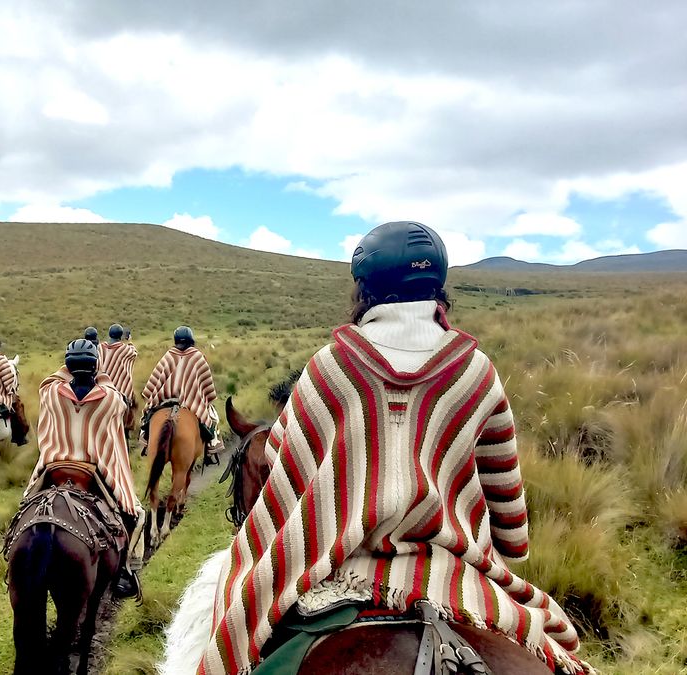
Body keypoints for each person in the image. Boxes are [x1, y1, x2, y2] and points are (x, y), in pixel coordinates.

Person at [197, 222, 590, 674]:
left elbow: (283, 464)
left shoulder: (330, 366)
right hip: (455, 576)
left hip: (341, 570)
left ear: (363, 290)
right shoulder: (478, 371)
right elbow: (511, 523)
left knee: (236, 625)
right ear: (438, 290)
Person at [24, 339, 144, 599]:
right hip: (94, 473)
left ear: (67, 364)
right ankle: (125, 570)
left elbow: (50, 381)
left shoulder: (51, 394)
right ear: (95, 367)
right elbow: (115, 397)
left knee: (26, 508)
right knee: (133, 514)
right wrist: (99, 376)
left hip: (54, 468)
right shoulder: (111, 400)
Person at [140, 326, 223, 461]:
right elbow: (207, 388)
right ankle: (211, 448)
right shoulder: (198, 357)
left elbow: (155, 380)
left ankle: (145, 441)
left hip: (164, 399)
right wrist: (205, 398)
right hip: (192, 403)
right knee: (213, 417)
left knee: (147, 415)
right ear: (191, 340)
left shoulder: (168, 355)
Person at [98, 323, 138, 408]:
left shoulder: (100, 347)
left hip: (100, 389)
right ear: (120, 335)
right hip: (118, 391)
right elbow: (134, 354)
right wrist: (129, 342)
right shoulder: (124, 349)